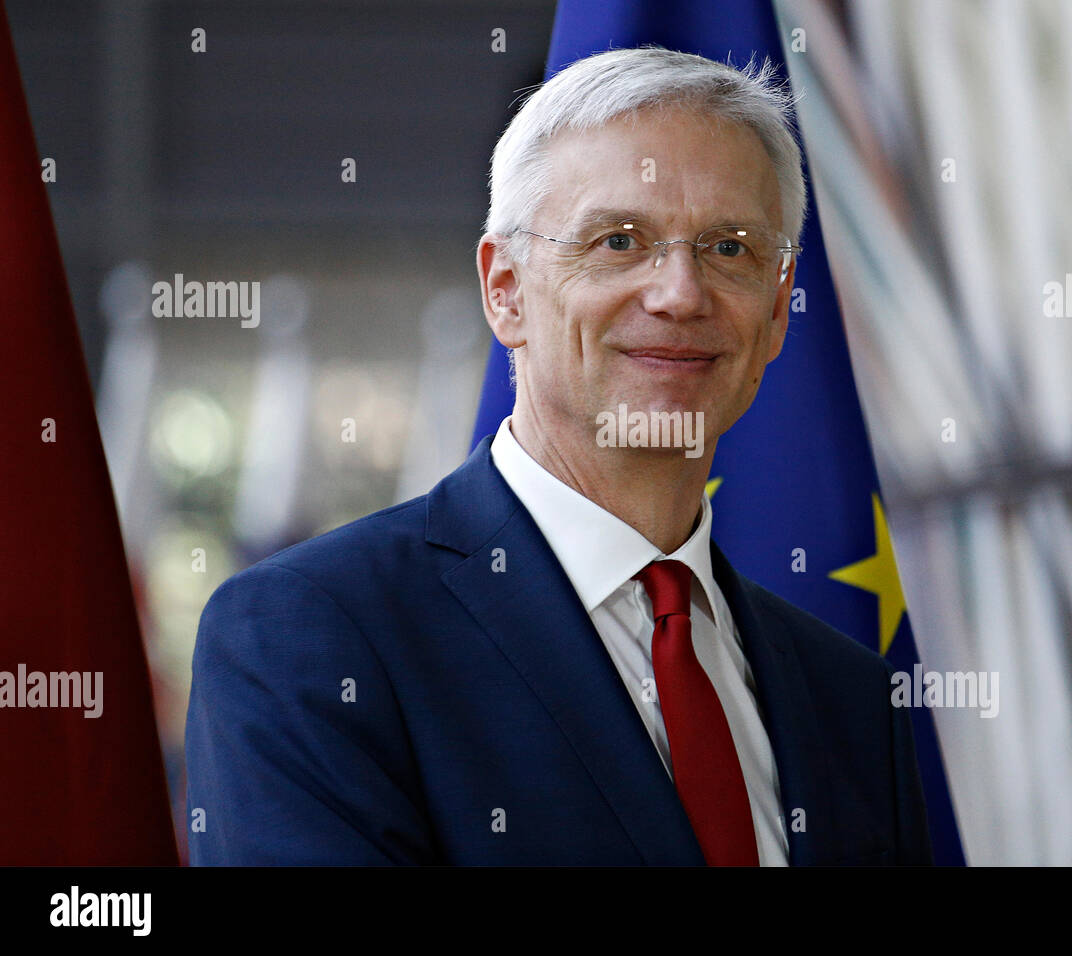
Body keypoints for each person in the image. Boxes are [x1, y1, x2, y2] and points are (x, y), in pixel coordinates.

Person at [185, 46, 932, 866]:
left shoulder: (853, 698)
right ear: (505, 289)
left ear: (779, 315)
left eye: (730, 249)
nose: (680, 293)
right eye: (618, 240)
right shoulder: (312, 638)